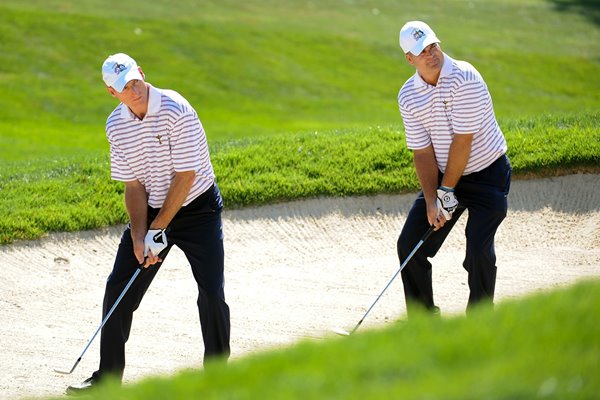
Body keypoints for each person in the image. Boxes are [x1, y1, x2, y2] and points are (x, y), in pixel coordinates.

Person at [67, 53, 231, 394]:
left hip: (198, 209)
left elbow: (186, 177)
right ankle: (107, 379)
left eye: (134, 81)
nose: (133, 90)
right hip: (154, 210)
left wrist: (158, 229)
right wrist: (141, 236)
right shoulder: (116, 125)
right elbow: (133, 186)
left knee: (211, 292)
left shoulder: (176, 109)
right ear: (112, 93)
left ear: (141, 73)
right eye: (124, 88)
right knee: (118, 289)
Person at [396, 21, 512, 316]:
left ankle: (480, 318)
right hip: (448, 177)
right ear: (410, 59)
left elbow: (463, 143)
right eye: (422, 51)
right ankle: (423, 321)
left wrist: (446, 192)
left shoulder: (465, 78)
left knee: (477, 250)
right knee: (410, 245)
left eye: (433, 46)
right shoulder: (408, 96)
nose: (431, 54)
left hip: (488, 173)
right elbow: (422, 153)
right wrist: (433, 200)